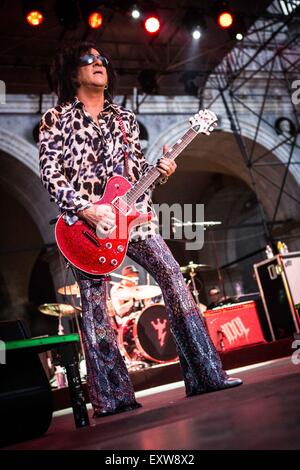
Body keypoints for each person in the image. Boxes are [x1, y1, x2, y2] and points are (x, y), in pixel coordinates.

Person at [39, 41, 242, 418]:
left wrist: (161, 172)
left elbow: (136, 175)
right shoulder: (57, 119)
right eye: (89, 59)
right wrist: (86, 209)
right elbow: (50, 175)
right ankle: (113, 398)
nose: (99, 64)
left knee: (173, 277)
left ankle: (206, 375)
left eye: (103, 60)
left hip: (134, 218)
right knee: (95, 306)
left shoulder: (125, 119)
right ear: (72, 73)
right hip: (85, 227)